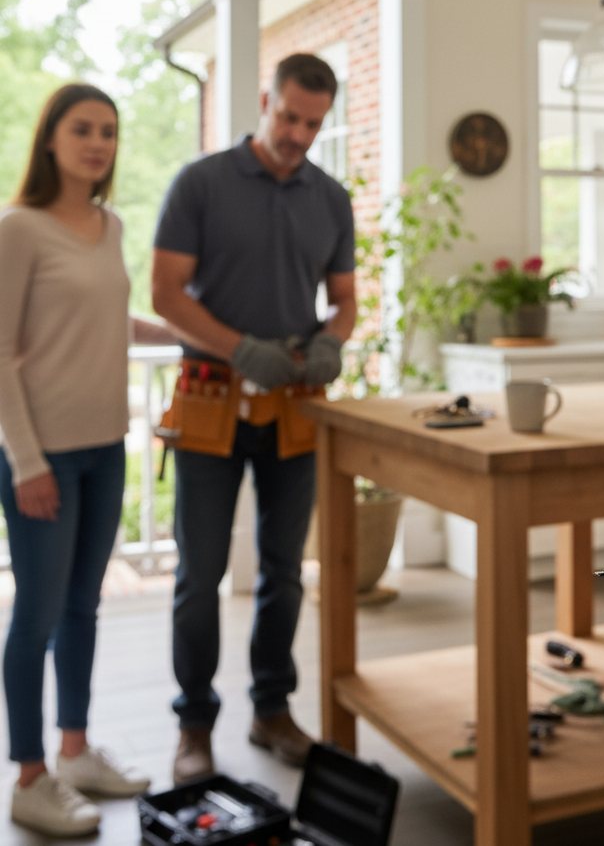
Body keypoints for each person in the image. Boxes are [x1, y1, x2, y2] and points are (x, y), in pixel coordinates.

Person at [151, 53, 357, 784]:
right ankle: (194, 727)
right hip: (209, 404)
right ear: (265, 102)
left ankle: (271, 712)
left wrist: (332, 340)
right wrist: (241, 349)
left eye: (312, 123)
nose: (297, 133)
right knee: (199, 574)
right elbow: (167, 294)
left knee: (283, 574)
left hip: (294, 409)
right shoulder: (200, 183)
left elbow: (345, 299)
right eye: (288, 117)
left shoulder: (330, 198)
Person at [0, 84, 153, 837]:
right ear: (51, 139)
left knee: (82, 608)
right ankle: (28, 777)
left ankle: (75, 752)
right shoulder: (18, 227)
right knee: (34, 616)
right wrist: (25, 460)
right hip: (44, 457)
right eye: (83, 129)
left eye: (109, 132)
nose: (98, 143)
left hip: (105, 447)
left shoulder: (111, 224)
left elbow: (107, 314)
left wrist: (201, 336)